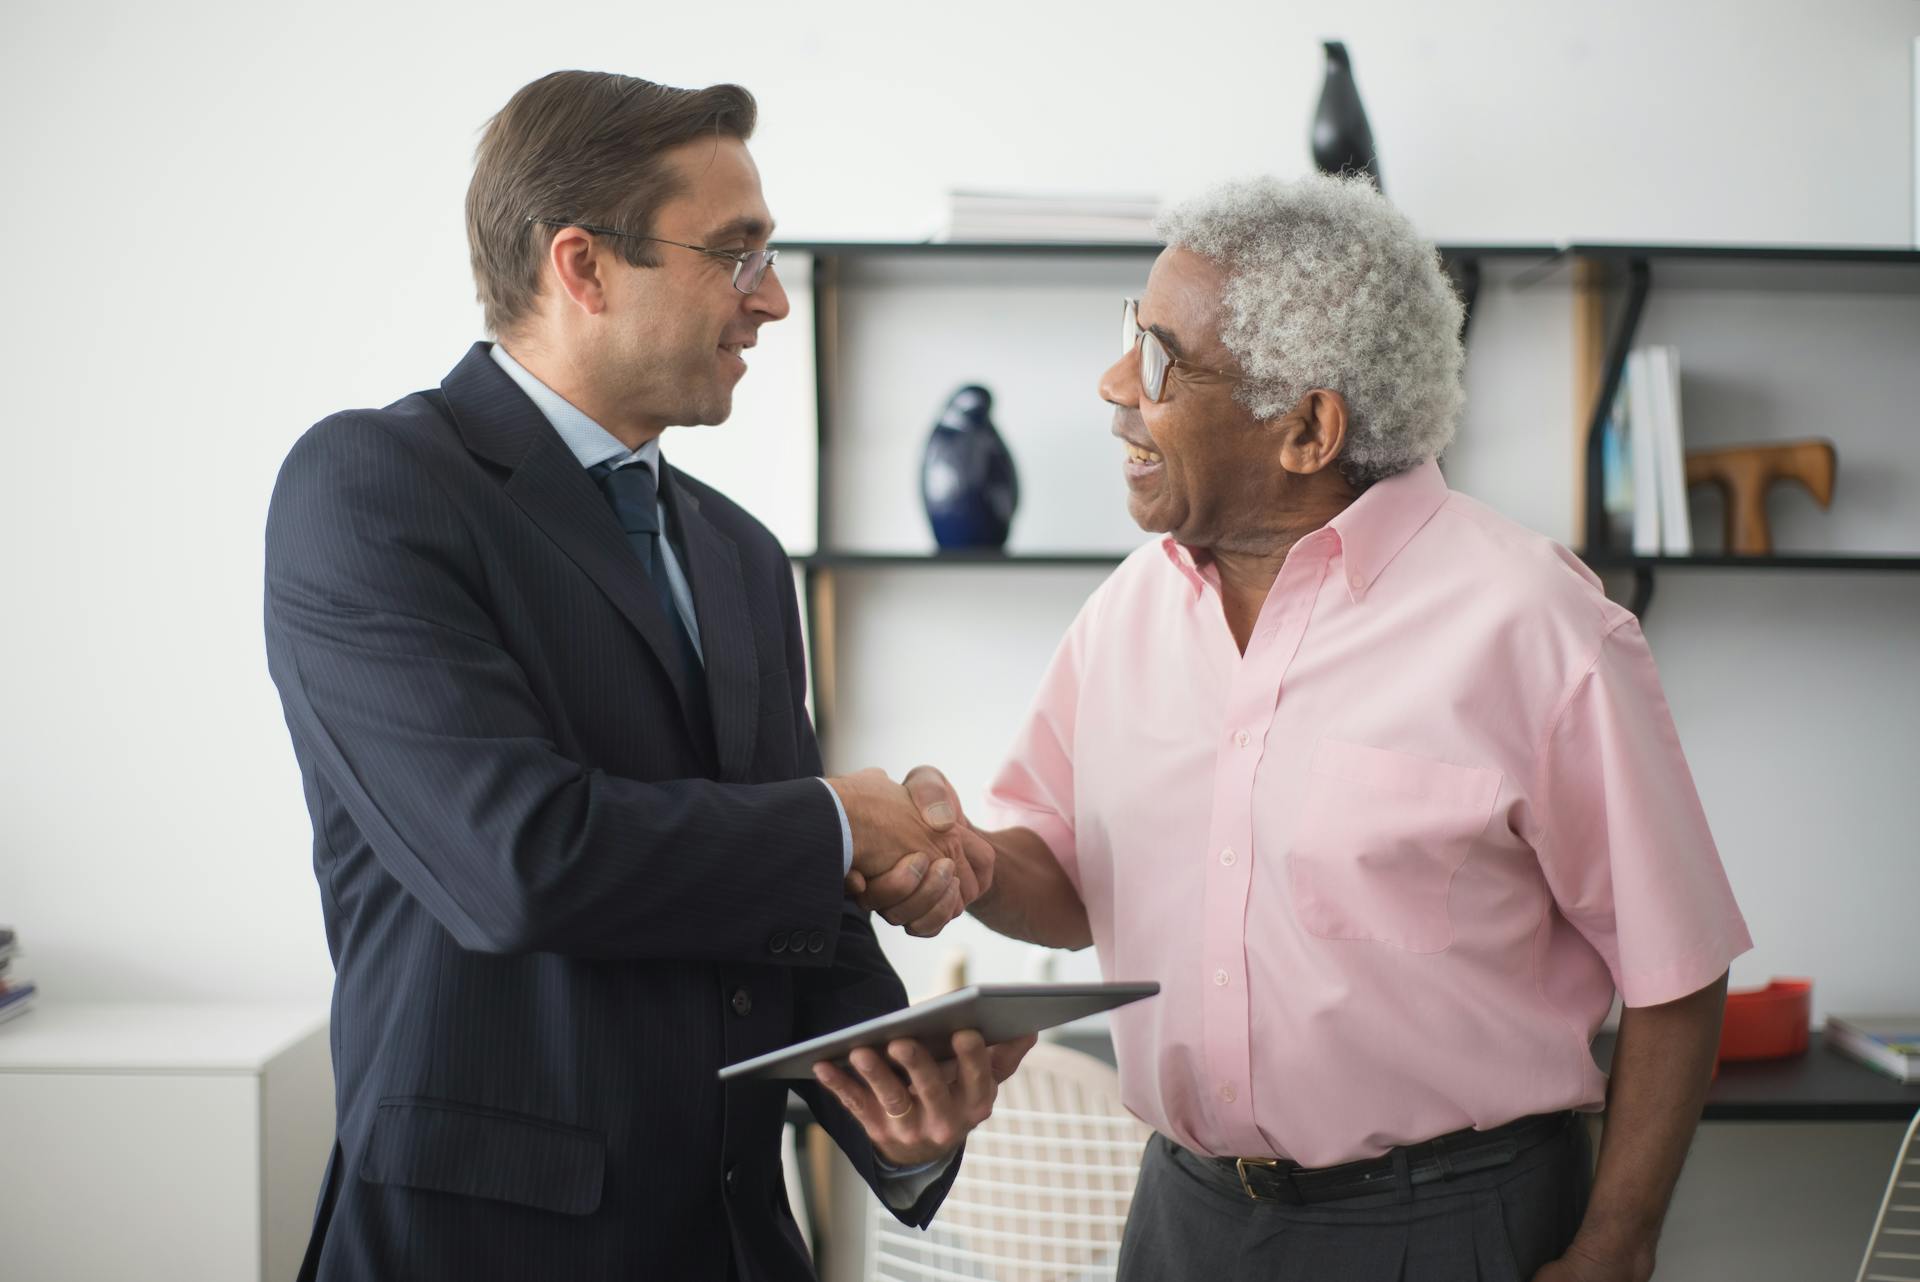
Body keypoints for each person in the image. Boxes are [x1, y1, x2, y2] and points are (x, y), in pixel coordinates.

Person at [893, 174, 1751, 1282]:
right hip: (1183, 1217)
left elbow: (1676, 967)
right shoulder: (1128, 609)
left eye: (1159, 359)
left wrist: (1617, 1246)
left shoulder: (1534, 622)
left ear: (1307, 428)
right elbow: (1060, 876)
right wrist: (964, 860)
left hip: (1450, 1226)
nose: (1114, 388)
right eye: (1128, 336)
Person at [264, 71, 1021, 1282]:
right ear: (583, 266)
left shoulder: (742, 555)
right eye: (735, 254)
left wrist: (902, 1103)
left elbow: (794, 922)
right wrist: (839, 821)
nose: (770, 299)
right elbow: (519, 861)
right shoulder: (370, 487)